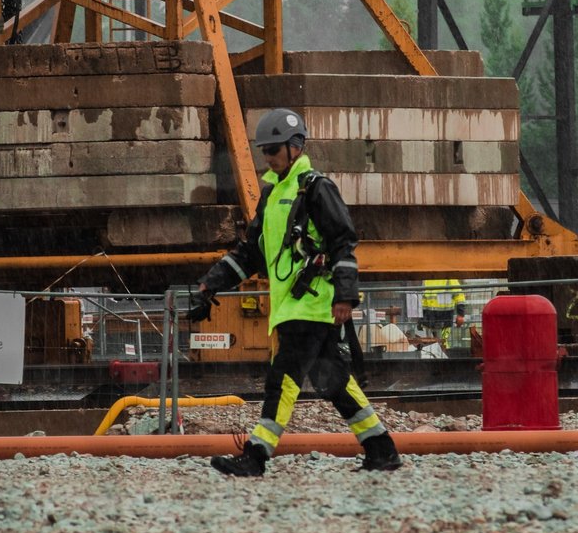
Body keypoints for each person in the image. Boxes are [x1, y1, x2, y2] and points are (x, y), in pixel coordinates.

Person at [188, 108, 402, 477]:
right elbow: (251, 253)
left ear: (296, 147)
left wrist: (344, 296)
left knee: (282, 380)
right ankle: (381, 450)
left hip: (313, 304)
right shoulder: (271, 195)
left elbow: (343, 242)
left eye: (273, 150)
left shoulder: (317, 188)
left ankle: (255, 456)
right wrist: (211, 283)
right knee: (333, 382)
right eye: (265, 151)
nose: (268, 157)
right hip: (290, 307)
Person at [421, 279, 467, 350]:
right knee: (433, 344)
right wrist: (422, 318)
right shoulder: (426, 280)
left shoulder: (449, 279)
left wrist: (460, 315)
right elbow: (423, 300)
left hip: (445, 318)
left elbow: (459, 296)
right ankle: (439, 357)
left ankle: (444, 358)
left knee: (443, 342)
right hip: (430, 319)